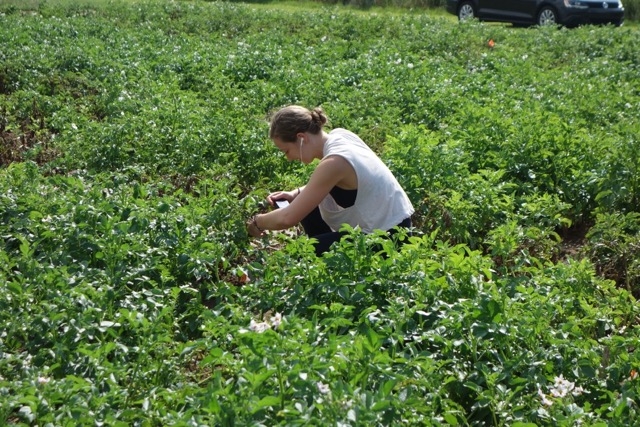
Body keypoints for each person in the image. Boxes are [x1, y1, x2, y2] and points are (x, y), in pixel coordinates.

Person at [246, 105, 414, 256]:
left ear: (301, 138)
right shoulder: (340, 136)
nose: (288, 158)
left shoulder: (335, 162)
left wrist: (258, 222)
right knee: (307, 208)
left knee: (305, 253)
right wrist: (294, 194)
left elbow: (287, 218)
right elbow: (333, 182)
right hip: (396, 224)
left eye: (286, 151)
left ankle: (330, 268)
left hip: (389, 238)